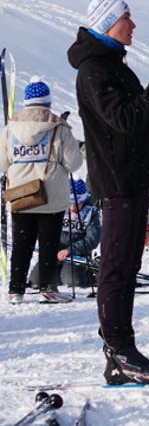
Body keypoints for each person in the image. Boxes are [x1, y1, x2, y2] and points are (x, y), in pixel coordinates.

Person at [67, 0, 149, 384]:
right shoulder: (95, 70)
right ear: (108, 23)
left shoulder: (112, 65)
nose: (133, 25)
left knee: (128, 264)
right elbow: (126, 118)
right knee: (117, 266)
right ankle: (120, 350)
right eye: (127, 18)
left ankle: (123, 349)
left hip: (133, 175)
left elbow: (144, 114)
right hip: (118, 179)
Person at [0, 77, 83, 304]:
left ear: (26, 103)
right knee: (49, 244)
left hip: (20, 194)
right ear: (47, 102)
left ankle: (15, 290)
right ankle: (48, 288)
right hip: (52, 194)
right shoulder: (59, 128)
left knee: (21, 244)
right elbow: (74, 163)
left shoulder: (10, 129)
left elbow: (1, 164)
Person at [29, 179, 101, 289]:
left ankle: (90, 275)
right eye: (70, 202)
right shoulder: (58, 208)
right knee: (36, 281)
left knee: (71, 280)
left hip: (77, 253)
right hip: (55, 252)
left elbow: (92, 239)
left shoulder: (91, 212)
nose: (73, 207)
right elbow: (45, 230)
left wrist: (70, 250)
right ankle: (57, 274)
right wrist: (51, 247)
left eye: (77, 203)